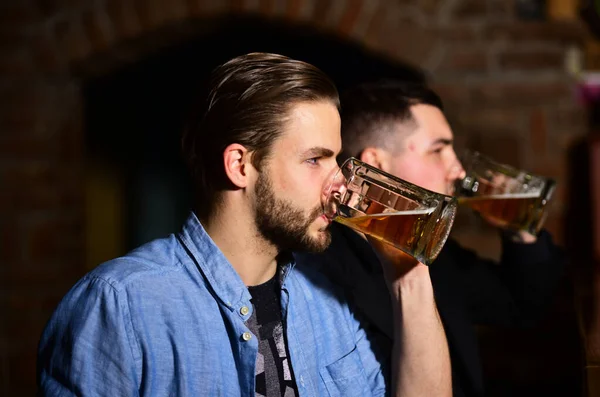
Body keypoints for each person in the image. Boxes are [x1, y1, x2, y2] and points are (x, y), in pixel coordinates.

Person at [37, 54, 452, 396]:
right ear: (240, 166)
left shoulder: (328, 299)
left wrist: (408, 278)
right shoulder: (121, 304)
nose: (341, 183)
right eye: (315, 159)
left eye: (337, 159)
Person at [297, 80, 566, 397]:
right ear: (374, 165)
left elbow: (523, 306)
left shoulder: (439, 252)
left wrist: (518, 227)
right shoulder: (321, 273)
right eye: (438, 150)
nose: (457, 170)